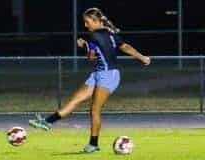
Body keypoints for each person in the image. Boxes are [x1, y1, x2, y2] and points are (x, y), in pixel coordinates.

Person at [29, 7, 150, 153]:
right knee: (75, 100)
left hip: (108, 75)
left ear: (95, 21)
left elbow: (91, 57)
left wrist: (84, 45)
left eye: (87, 22)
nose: (86, 25)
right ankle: (47, 122)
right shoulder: (110, 34)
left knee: (94, 109)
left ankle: (94, 144)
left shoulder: (94, 36)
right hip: (98, 74)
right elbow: (125, 47)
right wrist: (142, 58)